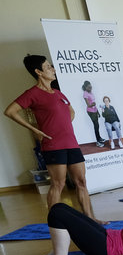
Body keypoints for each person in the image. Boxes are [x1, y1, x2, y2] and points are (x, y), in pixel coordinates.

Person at [4, 55, 96, 219]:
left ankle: (90, 219)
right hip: (53, 145)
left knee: (81, 182)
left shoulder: (58, 93)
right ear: (38, 72)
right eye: (48, 67)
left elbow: (71, 110)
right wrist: (35, 130)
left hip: (71, 143)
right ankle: (55, 223)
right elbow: (10, 111)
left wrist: (64, 124)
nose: (53, 70)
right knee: (58, 184)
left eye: (51, 66)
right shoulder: (32, 93)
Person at [81, 80, 104, 147]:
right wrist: (92, 104)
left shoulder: (90, 92)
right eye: (89, 87)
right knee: (96, 126)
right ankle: (98, 142)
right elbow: (88, 105)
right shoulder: (85, 94)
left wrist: (97, 112)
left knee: (97, 126)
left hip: (94, 110)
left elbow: (94, 103)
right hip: (90, 112)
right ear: (85, 87)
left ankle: (99, 138)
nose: (90, 88)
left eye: (91, 86)